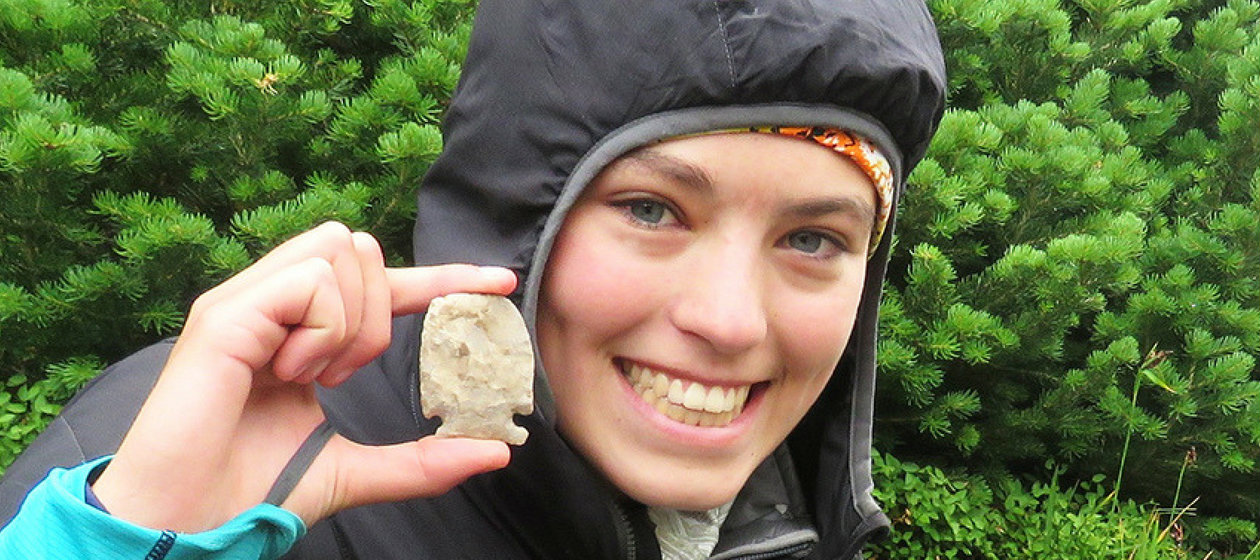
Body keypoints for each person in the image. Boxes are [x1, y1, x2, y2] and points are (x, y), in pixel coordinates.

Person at [0, 0, 946, 558]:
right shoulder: (163, 470)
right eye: (652, 210)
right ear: (517, 209)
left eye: (815, 239)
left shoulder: (755, 512)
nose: (731, 321)